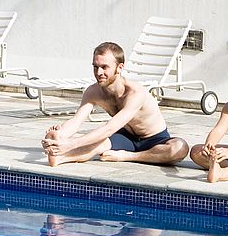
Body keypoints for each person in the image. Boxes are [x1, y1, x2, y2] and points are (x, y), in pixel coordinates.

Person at [41, 42, 189, 167]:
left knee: (179, 148)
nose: (99, 72)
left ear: (119, 67)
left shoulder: (135, 93)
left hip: (155, 139)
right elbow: (76, 121)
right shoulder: (93, 92)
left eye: (104, 67)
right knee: (98, 143)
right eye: (95, 67)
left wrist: (71, 144)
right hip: (126, 137)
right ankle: (61, 157)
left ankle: (130, 156)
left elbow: (110, 127)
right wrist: (60, 137)